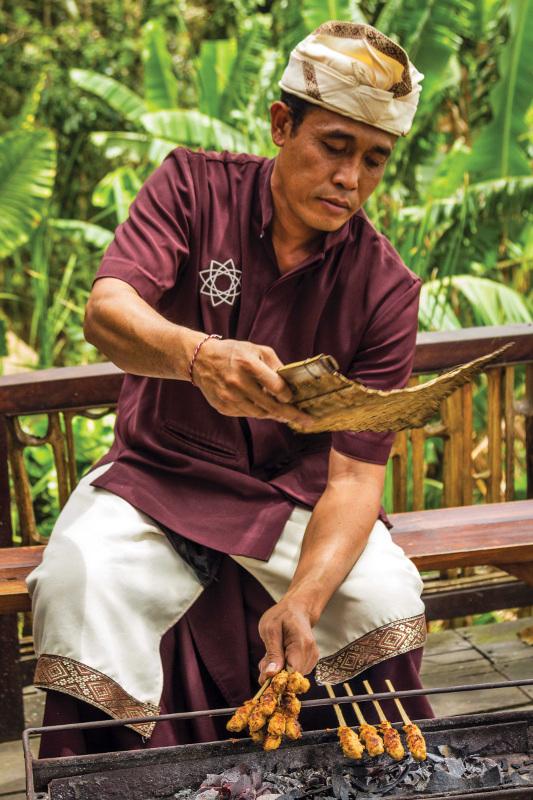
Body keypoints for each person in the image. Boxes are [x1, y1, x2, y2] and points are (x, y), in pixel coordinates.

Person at [28, 21, 434, 757]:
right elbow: (106, 311)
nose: (350, 179)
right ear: (283, 125)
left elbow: (353, 477)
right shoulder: (190, 186)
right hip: (156, 477)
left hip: (292, 500)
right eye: (334, 147)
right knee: (77, 577)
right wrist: (194, 355)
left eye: (374, 160)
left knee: (382, 597)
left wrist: (304, 601)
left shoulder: (385, 286)